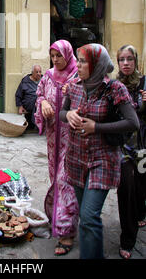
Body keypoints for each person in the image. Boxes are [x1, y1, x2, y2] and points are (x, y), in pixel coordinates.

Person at [59, 43, 140, 259]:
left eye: (84, 61)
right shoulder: (75, 85)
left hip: (102, 160)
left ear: (97, 64)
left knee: (88, 216)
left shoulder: (114, 89)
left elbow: (133, 122)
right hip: (76, 159)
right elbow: (62, 112)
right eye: (78, 59)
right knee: (87, 218)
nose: (78, 64)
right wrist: (68, 115)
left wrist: (97, 127)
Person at [35, 40, 79, 256]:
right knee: (56, 179)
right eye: (52, 56)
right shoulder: (49, 76)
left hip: (73, 140)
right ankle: (59, 221)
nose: (55, 60)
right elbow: (40, 93)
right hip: (54, 139)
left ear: (67, 55)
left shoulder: (78, 76)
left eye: (58, 56)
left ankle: (66, 232)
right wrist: (42, 102)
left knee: (65, 182)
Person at [115, 45, 146, 259]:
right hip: (122, 149)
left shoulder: (144, 83)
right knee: (125, 189)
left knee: (140, 188)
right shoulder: (114, 85)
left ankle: (140, 213)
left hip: (143, 146)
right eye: (121, 59)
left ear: (135, 61)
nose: (125, 63)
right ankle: (128, 238)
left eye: (129, 59)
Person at [15, 64, 42, 129]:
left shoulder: (44, 80)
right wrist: (20, 107)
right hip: (28, 106)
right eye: (36, 72)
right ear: (32, 73)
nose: (39, 74)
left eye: (40, 72)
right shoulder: (25, 81)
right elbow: (18, 94)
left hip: (40, 106)